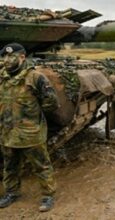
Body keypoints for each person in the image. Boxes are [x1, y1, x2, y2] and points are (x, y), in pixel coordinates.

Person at [0, 43, 59, 212]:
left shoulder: (35, 77)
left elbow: (51, 102)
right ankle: (12, 193)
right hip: (7, 132)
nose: (7, 60)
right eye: (4, 56)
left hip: (30, 132)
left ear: (22, 57)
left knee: (41, 165)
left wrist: (31, 117)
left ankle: (48, 195)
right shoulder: (1, 76)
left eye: (11, 57)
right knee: (10, 166)